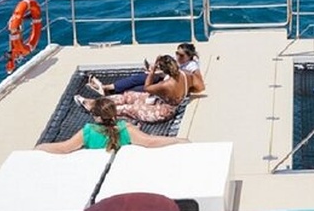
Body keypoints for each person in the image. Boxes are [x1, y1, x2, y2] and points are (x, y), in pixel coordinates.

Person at [36, 97, 188, 153]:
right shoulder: (126, 129)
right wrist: (177, 140)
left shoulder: (88, 132)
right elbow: (150, 141)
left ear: (96, 116)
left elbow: (64, 148)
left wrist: (41, 147)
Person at [76, 55, 188, 123]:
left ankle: (96, 109)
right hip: (159, 101)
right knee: (128, 96)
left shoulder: (165, 85)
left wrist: (152, 72)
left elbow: (147, 87)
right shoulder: (182, 75)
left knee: (129, 108)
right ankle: (96, 102)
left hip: (163, 112)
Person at [87, 43, 204, 95]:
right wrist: (155, 69)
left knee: (139, 88)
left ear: (189, 56)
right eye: (176, 53)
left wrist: (185, 89)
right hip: (163, 78)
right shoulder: (177, 60)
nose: (178, 57)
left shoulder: (192, 67)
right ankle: (107, 87)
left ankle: (110, 93)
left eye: (181, 55)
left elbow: (200, 85)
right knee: (136, 78)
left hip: (167, 84)